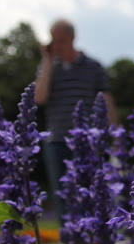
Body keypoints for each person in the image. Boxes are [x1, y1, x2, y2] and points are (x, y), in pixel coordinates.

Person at [34, 19, 113, 193]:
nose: (58, 45)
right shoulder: (48, 67)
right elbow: (38, 98)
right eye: (54, 40)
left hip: (88, 141)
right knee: (63, 197)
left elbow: (106, 100)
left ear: (73, 37)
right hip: (57, 141)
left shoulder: (93, 66)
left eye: (61, 40)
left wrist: (114, 132)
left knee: (92, 194)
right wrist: (47, 62)